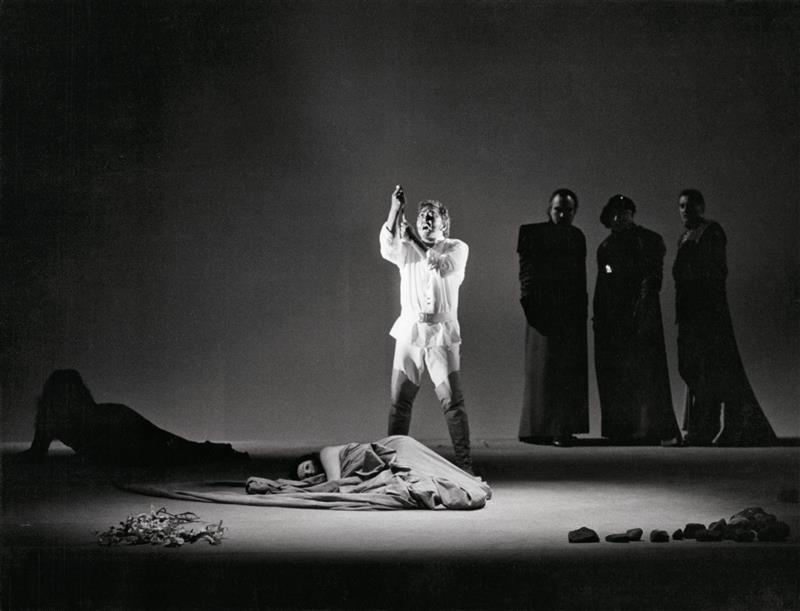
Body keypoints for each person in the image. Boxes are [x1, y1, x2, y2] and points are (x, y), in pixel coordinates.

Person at [379, 185, 474, 473]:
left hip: (441, 333)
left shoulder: (457, 248)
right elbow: (387, 246)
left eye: (432, 215)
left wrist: (414, 241)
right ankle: (394, 465)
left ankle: (465, 465)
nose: (426, 220)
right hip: (410, 331)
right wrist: (395, 209)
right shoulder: (405, 249)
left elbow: (441, 267)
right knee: (399, 402)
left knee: (452, 402)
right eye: (422, 216)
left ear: (444, 222)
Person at [672, 189, 777, 446]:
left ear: (701, 207)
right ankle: (703, 427)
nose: (686, 210)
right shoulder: (684, 237)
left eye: (690, 205)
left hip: (708, 314)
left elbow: (714, 271)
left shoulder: (711, 232)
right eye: (682, 206)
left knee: (709, 370)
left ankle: (706, 429)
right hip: (689, 314)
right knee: (693, 369)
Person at [593, 195, 681, 445]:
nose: (620, 217)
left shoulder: (649, 240)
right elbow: (605, 280)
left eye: (625, 212)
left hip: (643, 314)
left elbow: (652, 276)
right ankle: (625, 429)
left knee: (648, 370)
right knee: (619, 373)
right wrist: (601, 315)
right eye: (615, 213)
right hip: (615, 318)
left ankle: (655, 428)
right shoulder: (606, 247)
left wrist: (643, 305)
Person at [20, 369, 249, 464]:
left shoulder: (70, 417)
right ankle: (218, 451)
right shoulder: (51, 418)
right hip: (118, 422)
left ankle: (221, 452)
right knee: (172, 448)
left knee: (172, 449)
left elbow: (97, 451)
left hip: (121, 422)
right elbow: (37, 451)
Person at [517, 188, 589, 447]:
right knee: (544, 370)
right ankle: (541, 428)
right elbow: (527, 272)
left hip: (569, 313)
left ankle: (560, 428)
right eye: (558, 209)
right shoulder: (534, 234)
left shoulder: (576, 237)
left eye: (568, 210)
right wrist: (530, 304)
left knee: (566, 372)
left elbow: (580, 278)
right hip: (542, 311)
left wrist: (581, 312)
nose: (563, 214)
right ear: (549, 209)